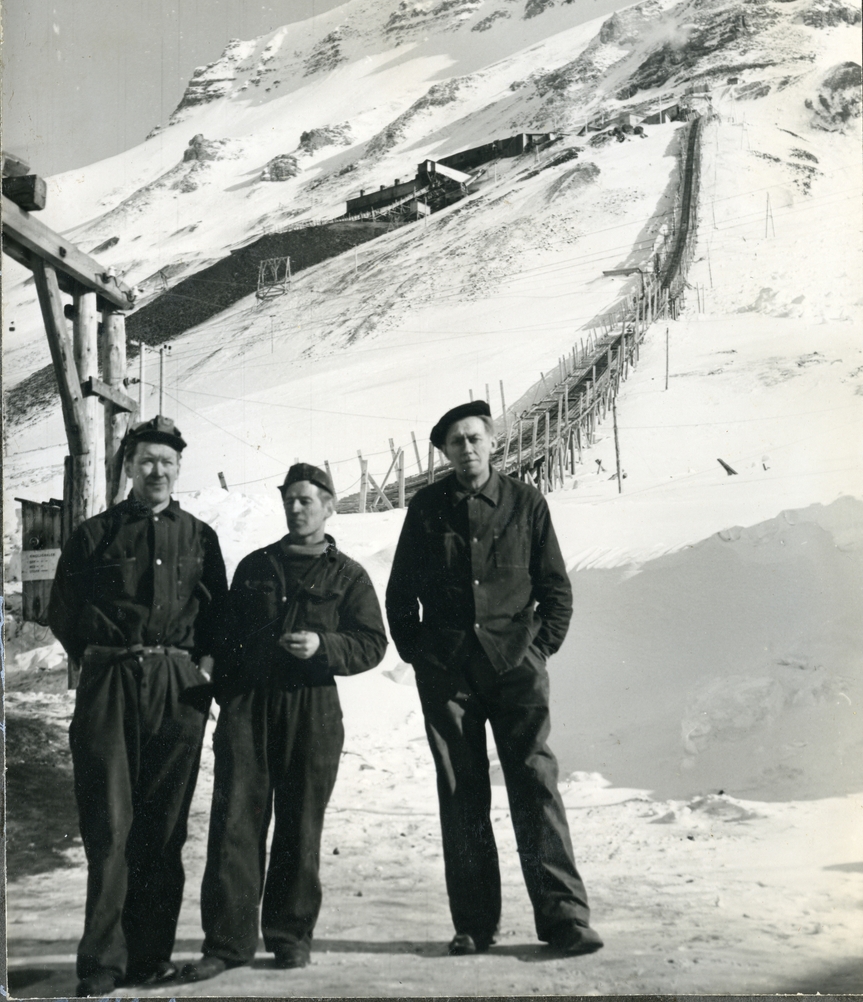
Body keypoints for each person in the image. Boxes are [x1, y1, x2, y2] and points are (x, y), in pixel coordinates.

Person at [385, 400, 602, 958]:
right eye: (455, 442)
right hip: (449, 676)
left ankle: (565, 919)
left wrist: (537, 652)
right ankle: (475, 925)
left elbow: (555, 591)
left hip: (515, 672)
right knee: (462, 794)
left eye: (475, 437)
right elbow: (399, 594)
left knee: (535, 784)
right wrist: (423, 656)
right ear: (444, 451)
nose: (467, 449)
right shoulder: (427, 508)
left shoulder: (527, 503)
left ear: (492, 440)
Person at [182, 462, 387, 983]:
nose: (296, 509)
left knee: (300, 823)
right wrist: (220, 690)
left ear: (328, 506)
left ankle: (290, 936)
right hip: (249, 705)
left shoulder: (349, 575)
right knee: (234, 824)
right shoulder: (254, 566)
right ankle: (227, 943)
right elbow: (224, 636)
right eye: (290, 500)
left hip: (312, 708)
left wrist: (325, 646)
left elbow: (372, 643)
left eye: (306, 500)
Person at [48, 416, 229, 997]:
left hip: (179, 691)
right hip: (111, 683)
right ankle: (102, 962)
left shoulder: (200, 536)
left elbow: (218, 617)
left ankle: (149, 957)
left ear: (179, 469)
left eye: (168, 462)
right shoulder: (94, 534)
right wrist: (103, 662)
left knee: (165, 827)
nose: (158, 470)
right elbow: (63, 611)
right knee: (109, 823)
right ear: (128, 465)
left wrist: (197, 667)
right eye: (148, 459)